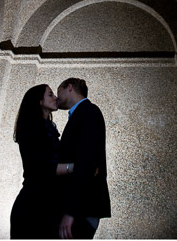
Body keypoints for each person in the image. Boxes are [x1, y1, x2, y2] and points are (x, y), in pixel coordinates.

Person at [10, 84, 77, 239]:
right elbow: (42, 169)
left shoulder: (49, 128)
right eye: (50, 94)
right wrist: (76, 167)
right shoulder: (31, 128)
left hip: (48, 204)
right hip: (33, 207)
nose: (56, 98)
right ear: (39, 101)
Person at [55, 78, 111, 239]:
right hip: (79, 208)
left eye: (58, 91)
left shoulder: (89, 111)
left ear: (70, 88)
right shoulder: (81, 113)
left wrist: (71, 212)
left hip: (81, 211)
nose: (57, 97)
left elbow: (87, 161)